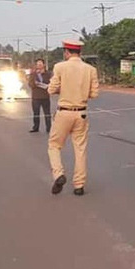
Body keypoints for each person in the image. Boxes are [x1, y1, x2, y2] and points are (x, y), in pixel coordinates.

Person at [47, 39, 99, 196]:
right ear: (80, 52)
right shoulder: (90, 69)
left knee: (54, 145)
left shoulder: (60, 67)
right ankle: (79, 185)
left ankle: (59, 174)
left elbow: (51, 89)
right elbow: (94, 94)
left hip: (64, 112)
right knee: (80, 149)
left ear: (67, 52)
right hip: (81, 112)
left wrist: (62, 90)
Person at [27, 58, 52, 133]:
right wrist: (35, 84)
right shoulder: (33, 74)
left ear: (44, 65)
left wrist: (47, 85)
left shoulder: (48, 74)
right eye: (38, 64)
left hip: (45, 97)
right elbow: (30, 84)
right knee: (36, 113)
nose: (39, 66)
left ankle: (49, 128)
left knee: (47, 113)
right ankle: (35, 127)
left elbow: (52, 83)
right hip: (36, 97)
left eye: (40, 64)